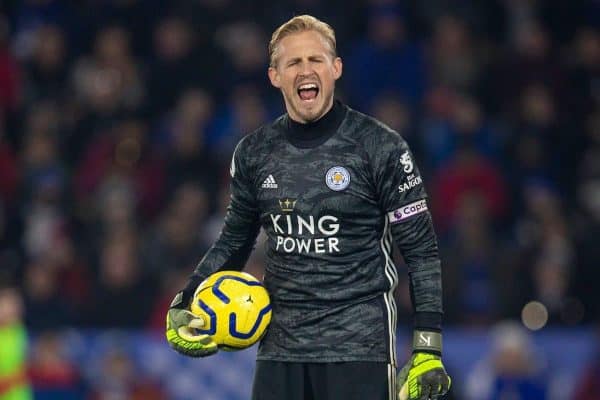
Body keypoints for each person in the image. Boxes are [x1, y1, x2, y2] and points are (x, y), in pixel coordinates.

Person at [166, 14, 451, 400]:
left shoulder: (380, 147)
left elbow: (421, 251)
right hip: (280, 350)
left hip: (360, 349)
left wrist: (427, 347)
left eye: (315, 60)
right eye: (293, 62)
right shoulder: (254, 153)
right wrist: (186, 301)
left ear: (335, 69)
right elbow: (235, 241)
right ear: (274, 76)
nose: (305, 70)